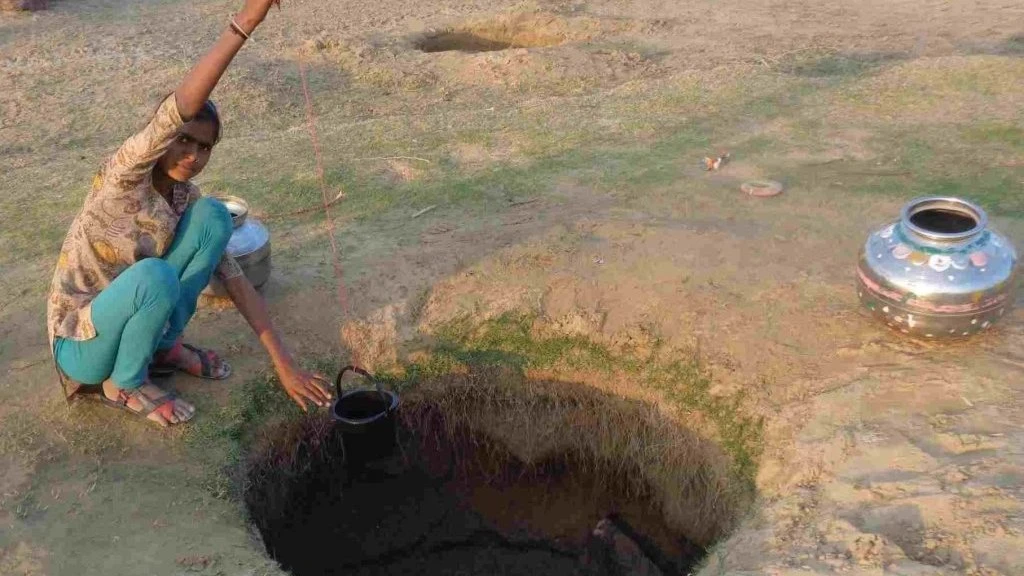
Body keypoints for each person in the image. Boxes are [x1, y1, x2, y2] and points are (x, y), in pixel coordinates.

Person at [46, 0, 332, 427]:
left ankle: (163, 348)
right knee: (154, 276)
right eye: (184, 141)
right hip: (81, 343)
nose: (192, 155)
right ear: (162, 137)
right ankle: (123, 383)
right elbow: (177, 110)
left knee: (214, 217)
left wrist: (284, 364)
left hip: (137, 310)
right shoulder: (126, 172)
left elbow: (234, 280)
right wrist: (248, 20)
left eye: (204, 148)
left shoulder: (184, 199)